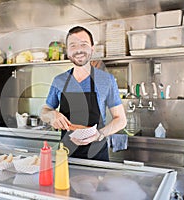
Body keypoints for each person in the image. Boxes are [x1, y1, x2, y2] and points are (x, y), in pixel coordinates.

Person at [40, 26, 127, 161]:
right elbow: (44, 111)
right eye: (73, 45)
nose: (79, 50)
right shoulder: (59, 81)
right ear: (68, 52)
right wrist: (51, 115)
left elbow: (121, 120)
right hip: (67, 156)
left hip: (96, 155)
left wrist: (99, 134)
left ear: (92, 48)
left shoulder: (106, 80)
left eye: (83, 44)